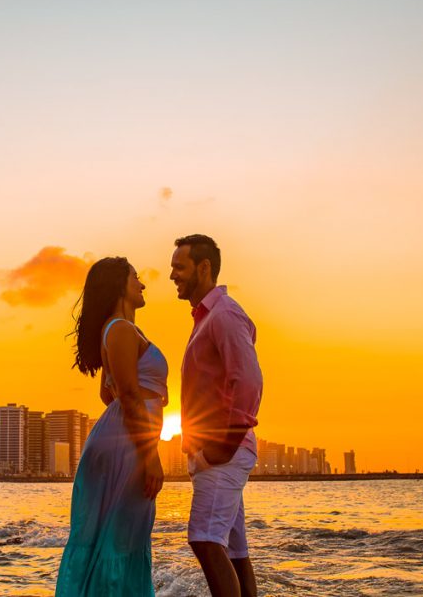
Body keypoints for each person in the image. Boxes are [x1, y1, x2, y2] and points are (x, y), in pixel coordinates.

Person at [56, 257, 168, 596]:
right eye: (136, 276)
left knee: (119, 536)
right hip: (129, 445)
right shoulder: (119, 328)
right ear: (120, 283)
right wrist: (150, 456)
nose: (143, 283)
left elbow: (109, 392)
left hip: (122, 438)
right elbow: (128, 395)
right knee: (123, 538)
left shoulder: (121, 329)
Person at [171, 234, 263, 597]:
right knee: (235, 552)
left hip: (225, 453)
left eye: (180, 266)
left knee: (205, 541)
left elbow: (249, 380)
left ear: (204, 268)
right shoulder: (206, 318)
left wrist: (223, 446)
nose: (172, 275)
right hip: (218, 453)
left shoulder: (225, 314)